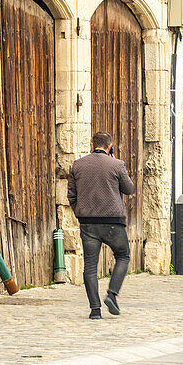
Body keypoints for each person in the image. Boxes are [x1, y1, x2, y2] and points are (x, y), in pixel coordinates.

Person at [67, 131, 135, 319]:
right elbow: (129, 189)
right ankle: (112, 294)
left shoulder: (78, 165)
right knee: (123, 256)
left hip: (88, 224)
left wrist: (80, 213)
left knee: (90, 266)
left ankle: (95, 310)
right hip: (113, 223)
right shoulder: (117, 164)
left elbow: (71, 196)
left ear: (91, 145)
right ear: (110, 147)